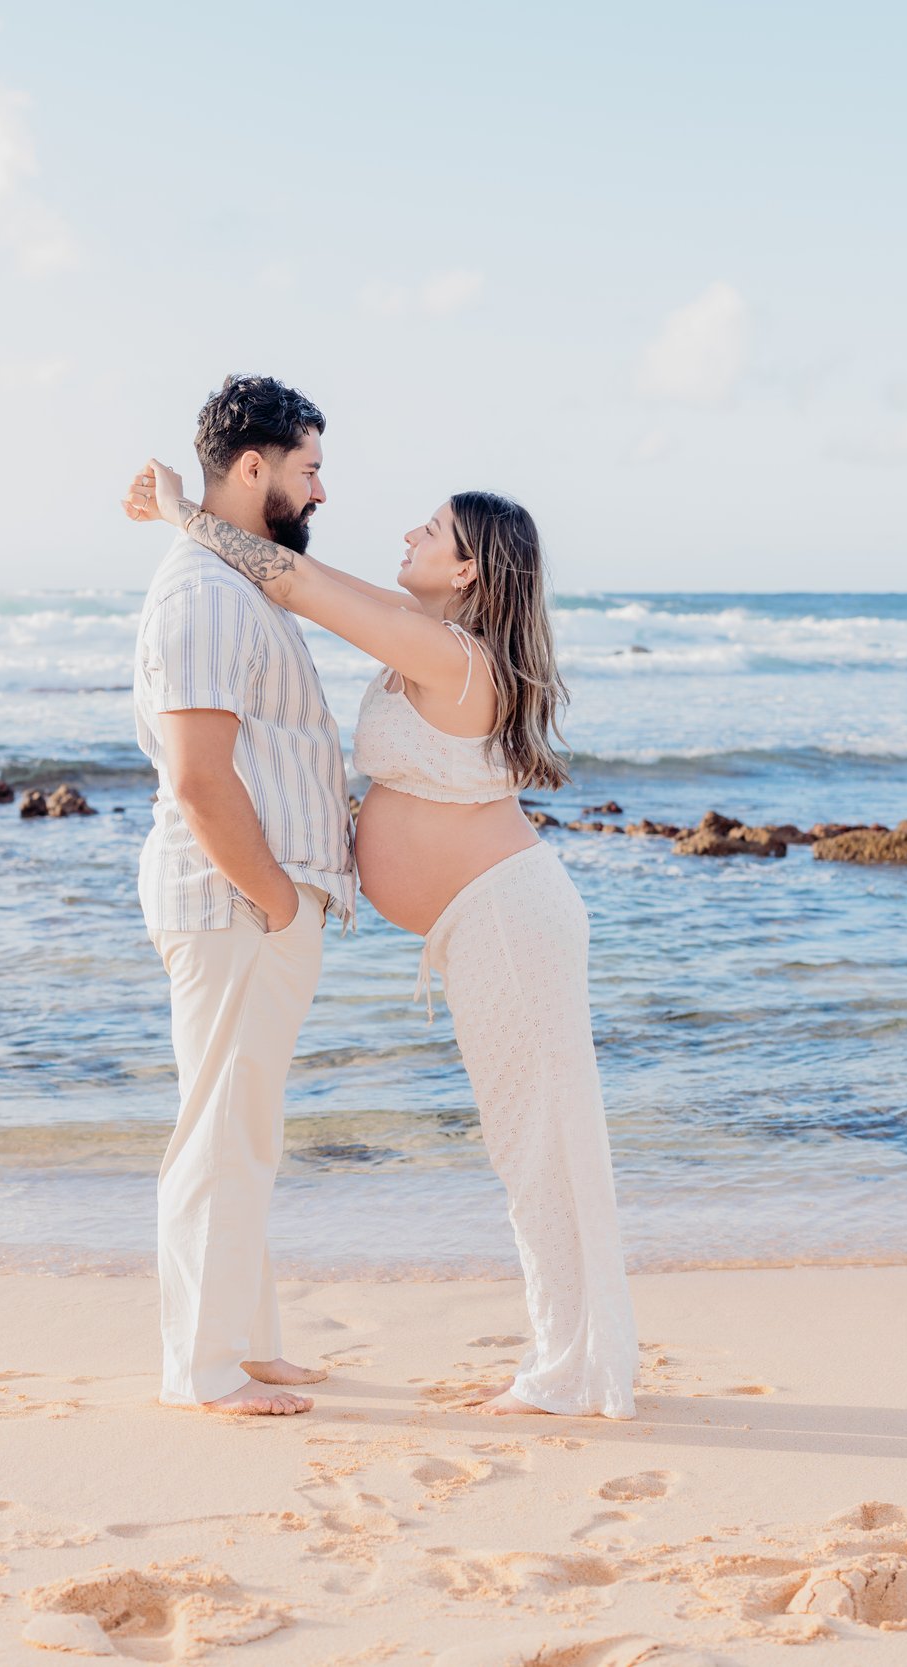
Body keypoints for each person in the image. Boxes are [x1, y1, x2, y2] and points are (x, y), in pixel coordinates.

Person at [124, 457, 638, 1418]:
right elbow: (307, 581)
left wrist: (177, 511)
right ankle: (566, 1356)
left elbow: (297, 581)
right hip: (483, 919)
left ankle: (568, 1370)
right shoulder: (429, 637)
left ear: (470, 569)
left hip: (506, 917)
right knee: (526, 1142)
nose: (407, 536)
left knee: (543, 1146)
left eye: (430, 529)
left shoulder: (455, 659)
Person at [130, 376, 355, 1416]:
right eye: (307, 469)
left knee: (244, 1123)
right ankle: (202, 1367)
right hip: (233, 903)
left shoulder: (232, 579)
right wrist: (272, 897)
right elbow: (197, 773)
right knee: (219, 1130)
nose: (320, 490)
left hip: (253, 902)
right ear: (253, 467)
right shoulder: (202, 593)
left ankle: (245, 1340)